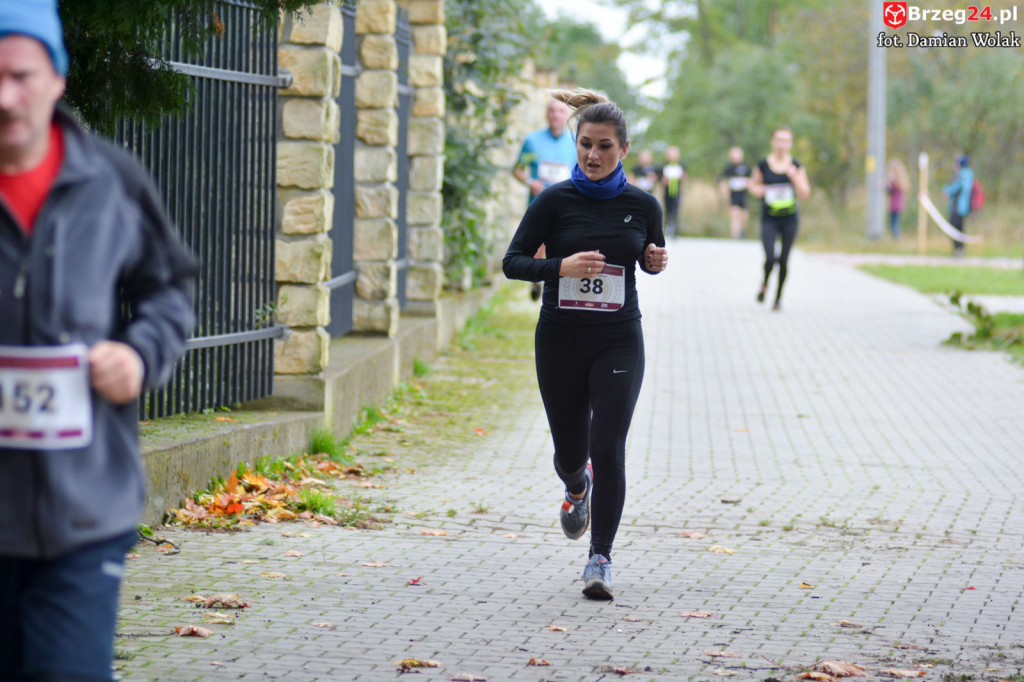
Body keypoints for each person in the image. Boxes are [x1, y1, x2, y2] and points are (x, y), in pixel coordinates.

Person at [0, 3, 196, 680]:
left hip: (83, 511)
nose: (5, 97)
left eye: (21, 75)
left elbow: (169, 290)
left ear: (57, 78)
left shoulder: (111, 181)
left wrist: (140, 354)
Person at [503, 89, 668, 601]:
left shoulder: (643, 204)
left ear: (624, 149)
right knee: (571, 453)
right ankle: (578, 488)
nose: (592, 156)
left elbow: (648, 254)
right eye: (584, 145)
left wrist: (654, 261)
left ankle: (600, 559)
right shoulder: (553, 201)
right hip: (560, 340)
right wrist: (560, 267)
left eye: (604, 147)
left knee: (609, 446)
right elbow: (512, 263)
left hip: (619, 340)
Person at [513, 99, 578, 300]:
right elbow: (517, 170)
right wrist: (531, 182)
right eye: (551, 111)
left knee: (563, 241)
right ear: (546, 114)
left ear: (566, 115)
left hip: (566, 202)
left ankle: (561, 281)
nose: (555, 115)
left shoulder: (576, 142)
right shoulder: (532, 140)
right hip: (539, 200)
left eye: (560, 111)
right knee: (537, 244)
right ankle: (536, 281)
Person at [747, 127, 811, 311]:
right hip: (769, 218)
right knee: (770, 257)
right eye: (779, 140)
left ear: (790, 144)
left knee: (784, 259)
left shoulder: (796, 166)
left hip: (790, 219)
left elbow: (805, 193)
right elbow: (753, 185)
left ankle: (777, 298)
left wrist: (793, 177)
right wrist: (759, 191)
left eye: (786, 141)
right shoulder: (763, 164)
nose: (782, 145)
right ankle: (765, 283)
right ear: (773, 142)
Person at [942, 154, 974, 256]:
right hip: (964, 207)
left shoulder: (961, 175)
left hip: (957, 207)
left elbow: (954, 189)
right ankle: (961, 249)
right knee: (960, 228)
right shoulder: (969, 175)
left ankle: (958, 249)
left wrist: (945, 190)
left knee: (954, 228)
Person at [717, 146, 751, 239]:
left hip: (743, 194)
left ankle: (742, 230)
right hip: (733, 194)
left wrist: (750, 184)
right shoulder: (728, 168)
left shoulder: (746, 167)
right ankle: (735, 234)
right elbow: (721, 179)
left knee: (744, 215)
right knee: (734, 213)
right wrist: (723, 187)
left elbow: (753, 179)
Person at [660, 146, 685, 237]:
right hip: (667, 192)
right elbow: (659, 178)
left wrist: (683, 178)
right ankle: (667, 228)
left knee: (676, 210)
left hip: (677, 192)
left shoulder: (681, 165)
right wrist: (663, 180)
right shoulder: (664, 165)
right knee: (667, 209)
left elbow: (685, 177)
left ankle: (676, 230)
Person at [886, 158, 910, 240]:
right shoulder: (901, 180)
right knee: (896, 223)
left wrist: (887, 183)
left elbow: (890, 189)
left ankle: (896, 239)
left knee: (894, 224)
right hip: (899, 205)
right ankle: (896, 238)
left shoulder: (894, 180)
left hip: (894, 205)